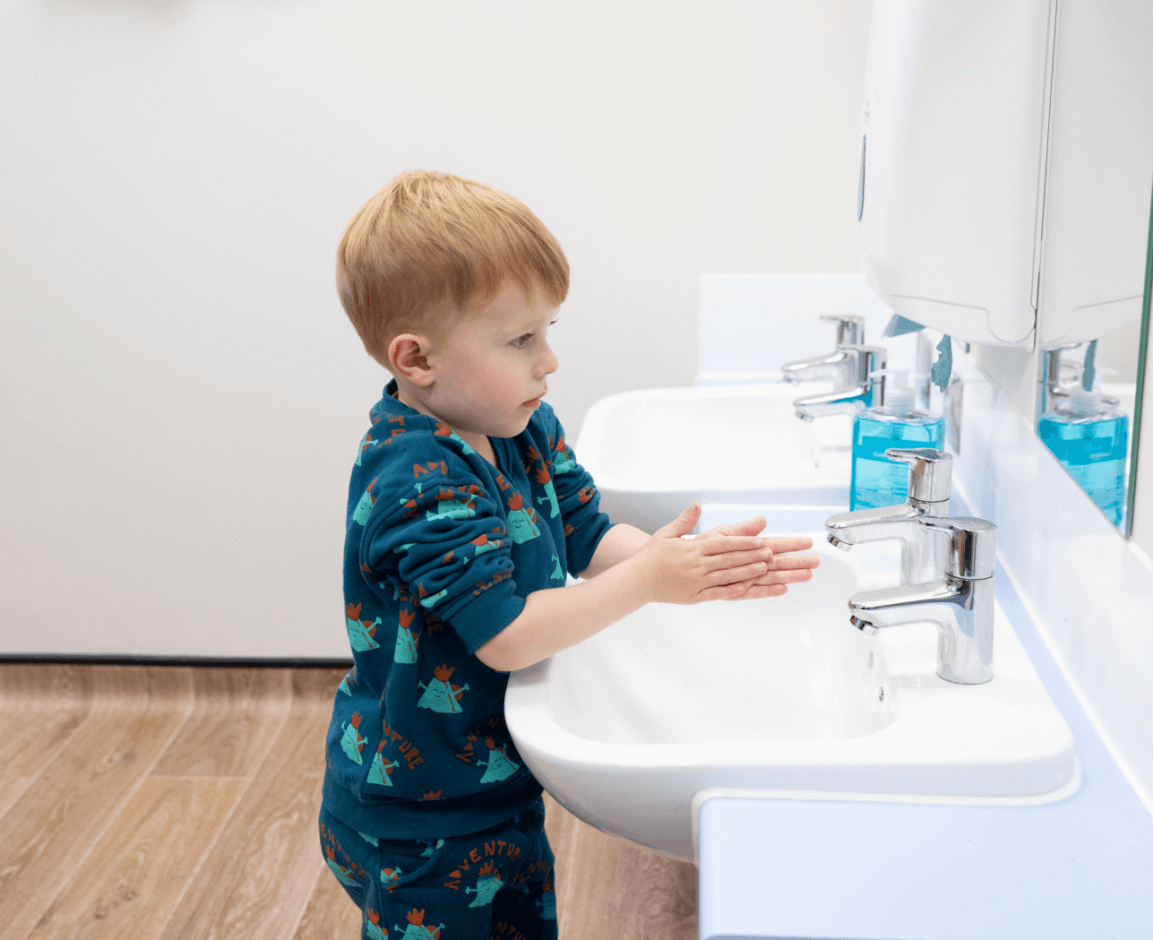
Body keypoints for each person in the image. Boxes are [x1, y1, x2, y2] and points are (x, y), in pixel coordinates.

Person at [320, 170, 819, 940]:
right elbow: (508, 631)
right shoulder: (417, 481)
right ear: (416, 360)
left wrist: (676, 565)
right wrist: (650, 581)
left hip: (490, 784)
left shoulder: (522, 422)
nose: (548, 360)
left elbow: (584, 533)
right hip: (420, 821)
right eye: (521, 340)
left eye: (548, 331)